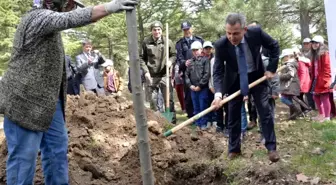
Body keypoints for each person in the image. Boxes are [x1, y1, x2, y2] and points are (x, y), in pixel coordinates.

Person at [0, 0, 137, 184]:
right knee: (23, 159)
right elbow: (70, 19)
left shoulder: (50, 26)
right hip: (24, 102)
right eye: (67, 3)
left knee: (57, 150)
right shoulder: (37, 18)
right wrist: (109, 7)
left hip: (49, 101)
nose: (69, 6)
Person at [212, 13, 280, 162]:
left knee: (265, 111)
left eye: (236, 33)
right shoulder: (221, 45)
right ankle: (234, 149)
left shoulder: (256, 33)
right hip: (234, 80)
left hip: (256, 76)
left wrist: (272, 69)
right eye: (228, 33)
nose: (232, 37)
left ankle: (271, 148)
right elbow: (217, 71)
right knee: (233, 115)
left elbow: (274, 46)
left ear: (245, 29)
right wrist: (218, 94)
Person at [140, 21, 177, 123]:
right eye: (154, 30)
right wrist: (146, 71)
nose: (157, 32)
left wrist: (170, 61)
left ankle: (172, 122)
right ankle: (156, 121)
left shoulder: (167, 41)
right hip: (151, 76)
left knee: (168, 100)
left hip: (164, 75)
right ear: (151, 31)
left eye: (158, 30)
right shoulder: (146, 42)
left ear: (161, 30)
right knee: (153, 100)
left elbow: (174, 55)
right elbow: (141, 58)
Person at [176, 21, 204, 119]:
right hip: (186, 72)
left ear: (191, 28)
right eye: (184, 30)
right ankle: (191, 116)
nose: (186, 31)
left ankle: (203, 115)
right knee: (188, 96)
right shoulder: (179, 43)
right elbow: (179, 57)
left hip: (200, 71)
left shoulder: (199, 40)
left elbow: (204, 53)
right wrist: (184, 63)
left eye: (188, 29)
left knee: (202, 93)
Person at [185, 41, 210, 130]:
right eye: (193, 50)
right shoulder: (190, 62)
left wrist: (200, 85)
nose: (195, 52)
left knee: (203, 106)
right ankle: (197, 123)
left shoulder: (205, 60)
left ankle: (204, 123)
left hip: (202, 89)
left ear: (201, 50)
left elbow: (207, 74)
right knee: (195, 107)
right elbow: (186, 75)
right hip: (193, 89)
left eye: (197, 50)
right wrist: (190, 85)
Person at [310, 35, 332, 122]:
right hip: (316, 78)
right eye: (313, 43)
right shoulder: (315, 54)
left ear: (321, 44)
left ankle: (327, 117)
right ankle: (321, 114)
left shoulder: (325, 53)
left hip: (323, 79)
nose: (314, 44)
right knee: (315, 97)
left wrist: (325, 81)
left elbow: (327, 68)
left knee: (324, 97)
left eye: (316, 43)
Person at [278, 49, 301, 120]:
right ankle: (293, 116)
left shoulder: (289, 64)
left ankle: (297, 110)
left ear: (287, 56)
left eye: (284, 57)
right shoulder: (290, 64)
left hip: (290, 85)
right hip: (290, 85)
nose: (283, 59)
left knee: (283, 99)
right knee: (289, 100)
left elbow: (290, 74)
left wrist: (280, 76)